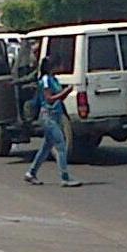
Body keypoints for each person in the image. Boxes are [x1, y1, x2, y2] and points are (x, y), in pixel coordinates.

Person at [24, 56, 82, 187]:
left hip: (56, 115)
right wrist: (64, 92)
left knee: (46, 148)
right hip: (48, 116)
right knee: (61, 145)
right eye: (59, 65)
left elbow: (59, 98)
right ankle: (65, 177)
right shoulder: (45, 80)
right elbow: (49, 98)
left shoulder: (54, 79)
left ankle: (31, 173)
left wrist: (66, 92)